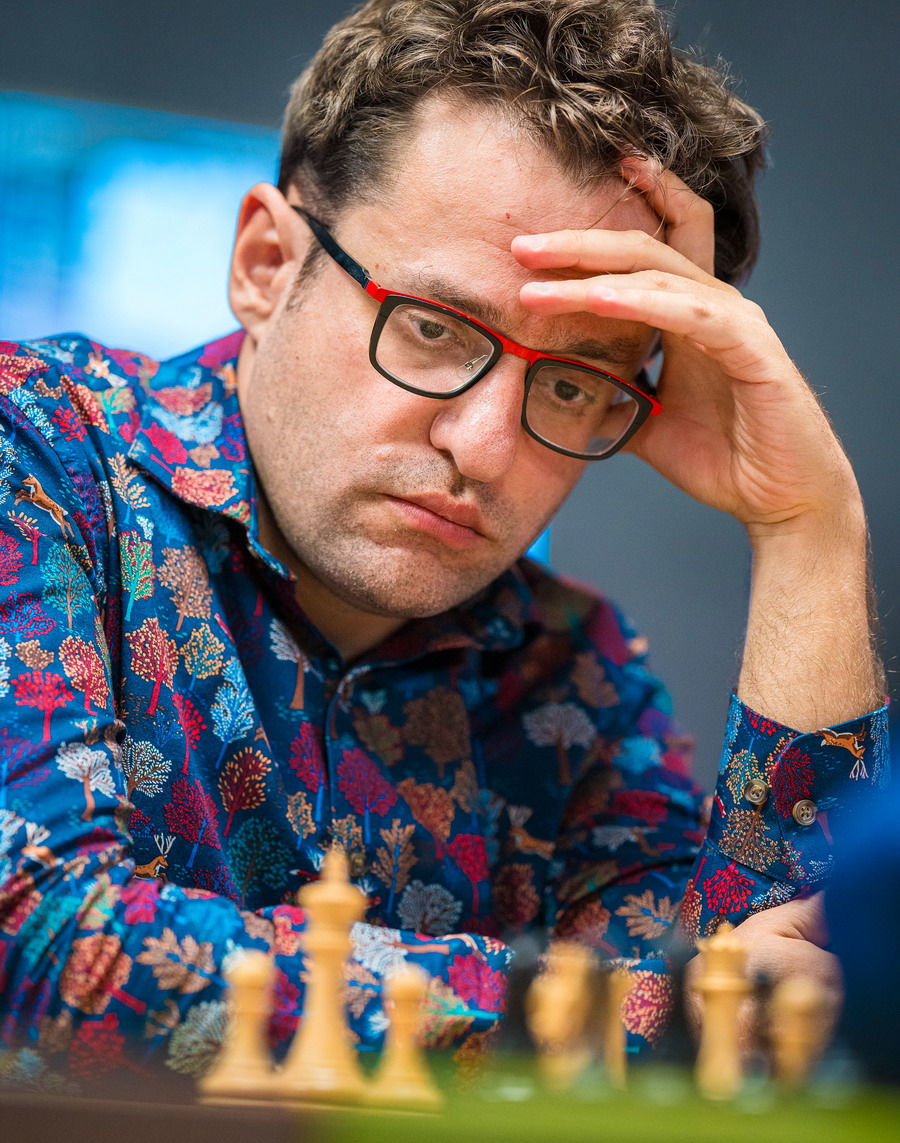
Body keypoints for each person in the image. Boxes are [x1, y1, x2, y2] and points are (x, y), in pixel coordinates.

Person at [0, 0, 887, 1089]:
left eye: (574, 383)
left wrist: (805, 527)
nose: (484, 447)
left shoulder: (574, 678)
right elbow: (37, 938)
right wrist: (640, 1012)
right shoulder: (36, 459)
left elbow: (772, 1026)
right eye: (432, 327)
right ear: (267, 264)